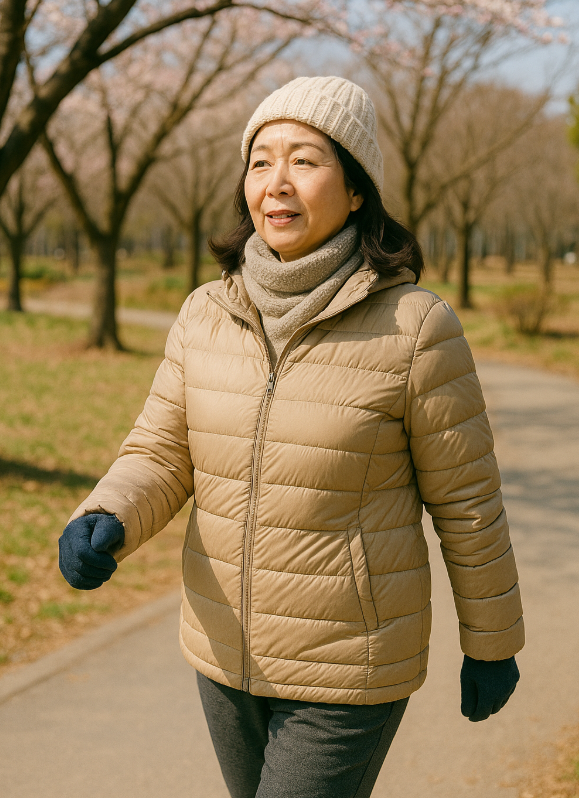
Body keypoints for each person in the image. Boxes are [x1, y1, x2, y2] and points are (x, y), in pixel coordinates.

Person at [59, 76, 523, 798]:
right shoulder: (206, 313)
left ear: (356, 188)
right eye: (260, 160)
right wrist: (104, 516)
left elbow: (467, 502)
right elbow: (159, 449)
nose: (276, 183)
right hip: (222, 654)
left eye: (305, 160)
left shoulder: (413, 327)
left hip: (346, 667)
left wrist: (490, 641)